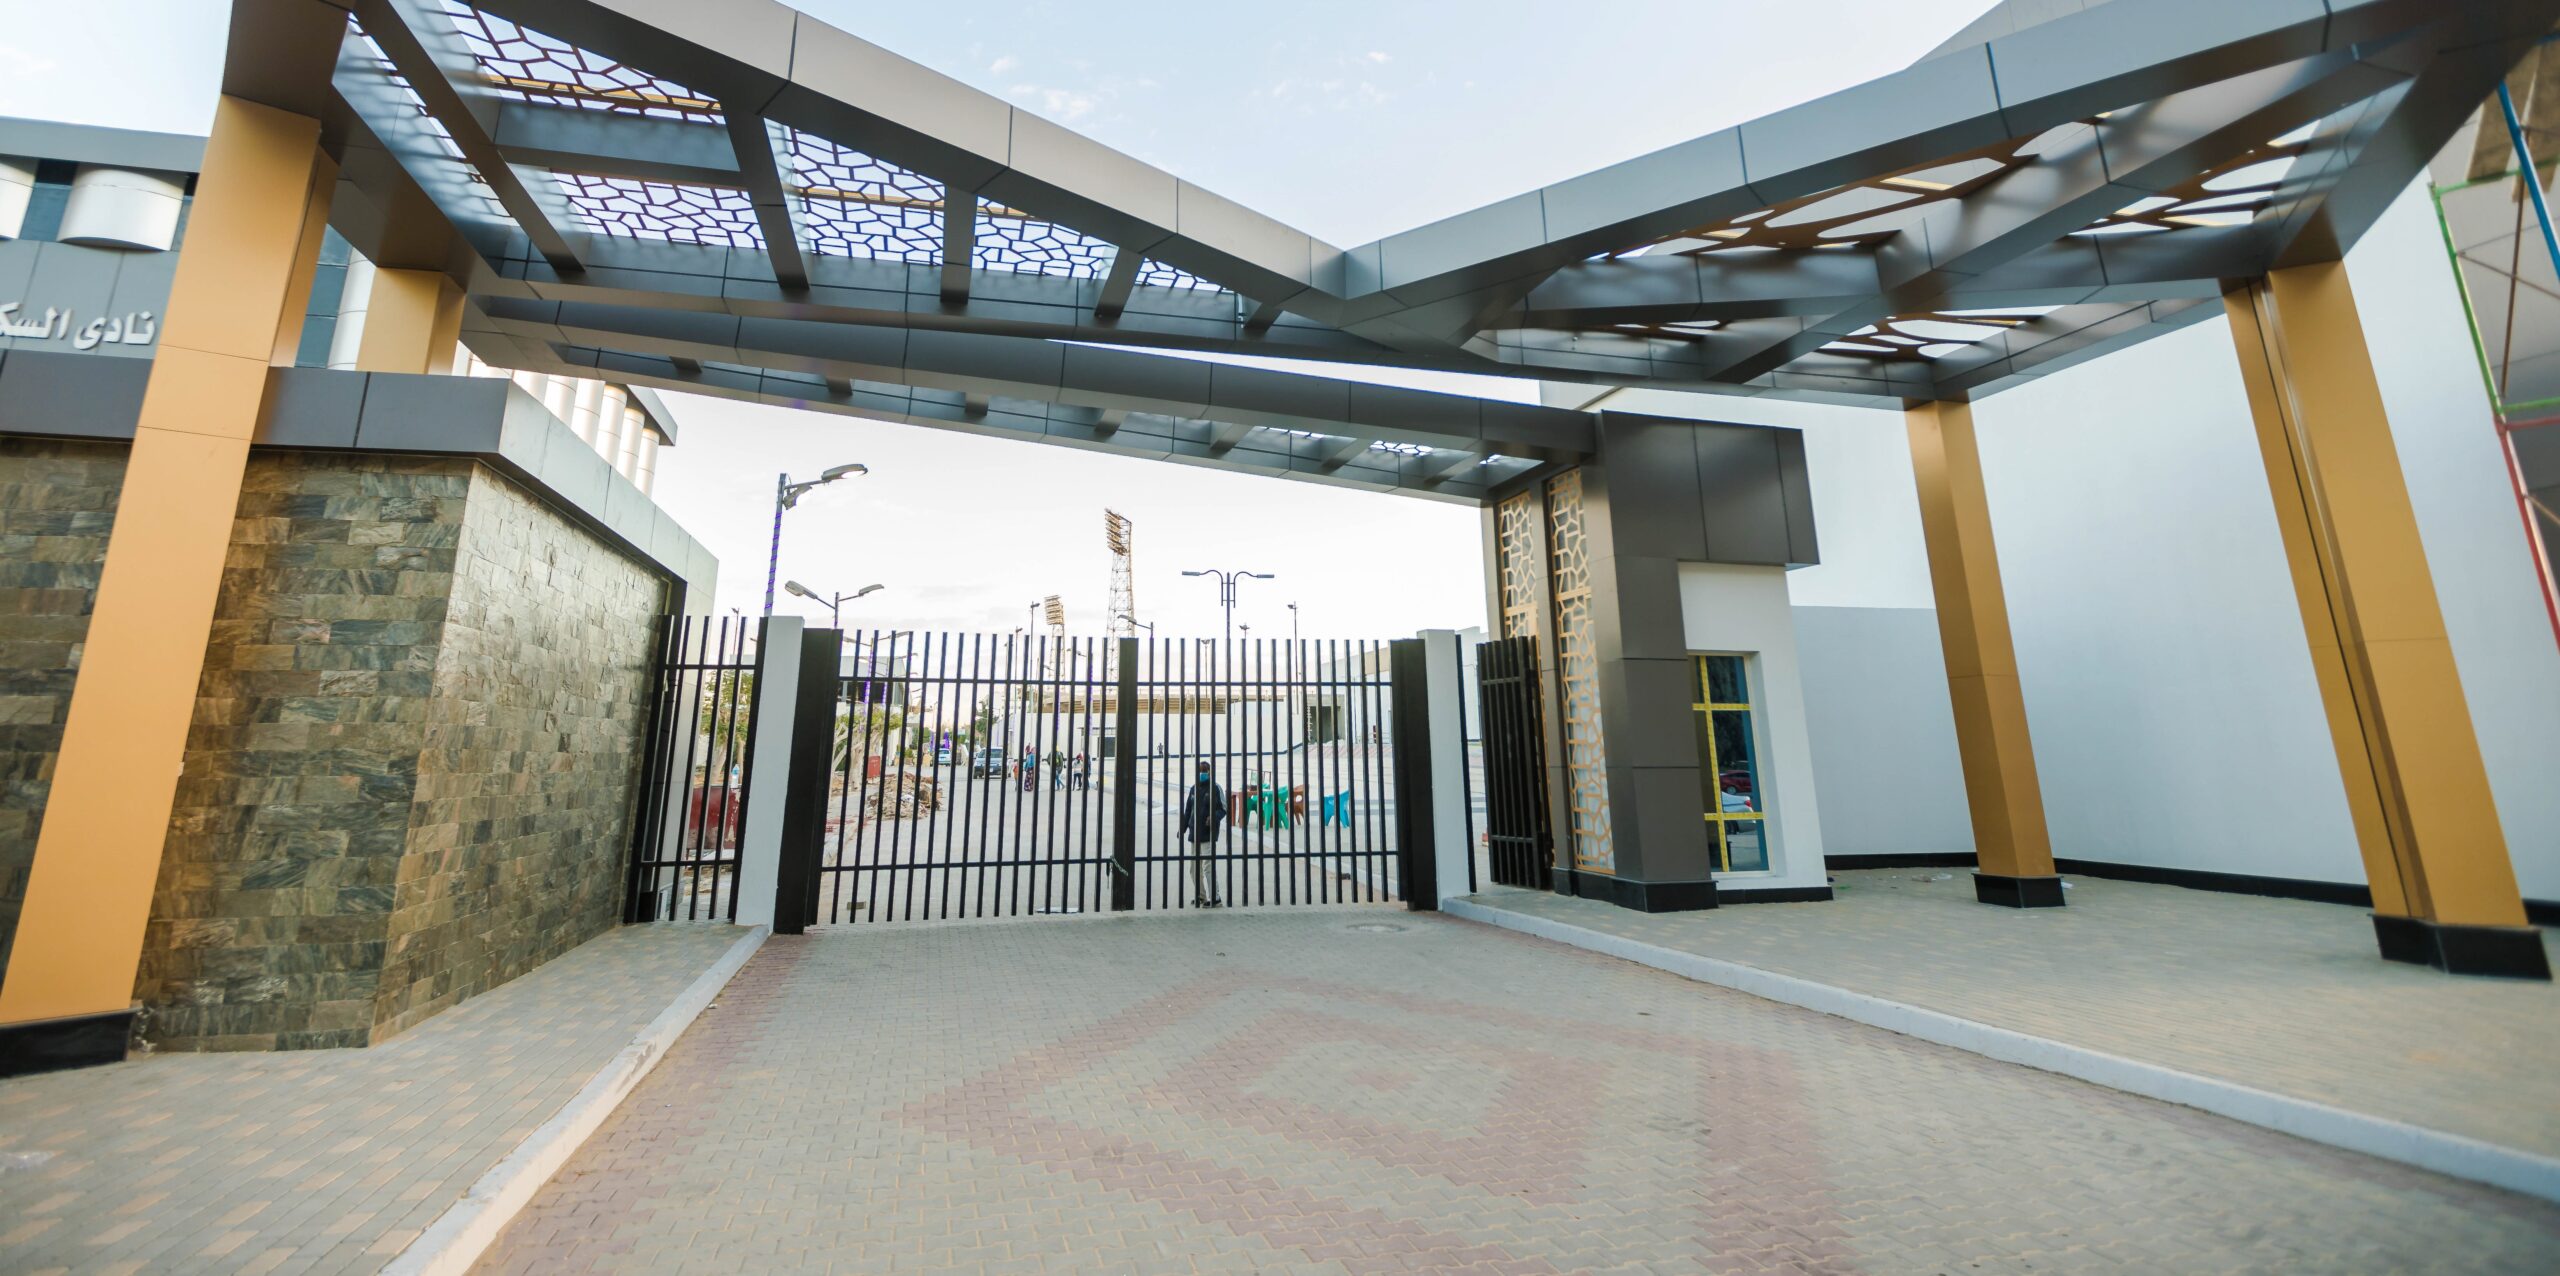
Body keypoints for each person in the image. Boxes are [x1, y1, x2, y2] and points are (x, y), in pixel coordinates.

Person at [1177, 761, 1227, 908]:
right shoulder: (1193, 789)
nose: (1202, 773)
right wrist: (1183, 828)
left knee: (1207, 866)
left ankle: (1215, 898)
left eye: (1205, 771)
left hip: (1208, 833)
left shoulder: (1215, 788)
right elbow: (1188, 810)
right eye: (1200, 771)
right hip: (1194, 833)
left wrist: (1214, 817)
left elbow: (1223, 809)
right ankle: (1201, 896)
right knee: (1194, 868)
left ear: (1210, 772)